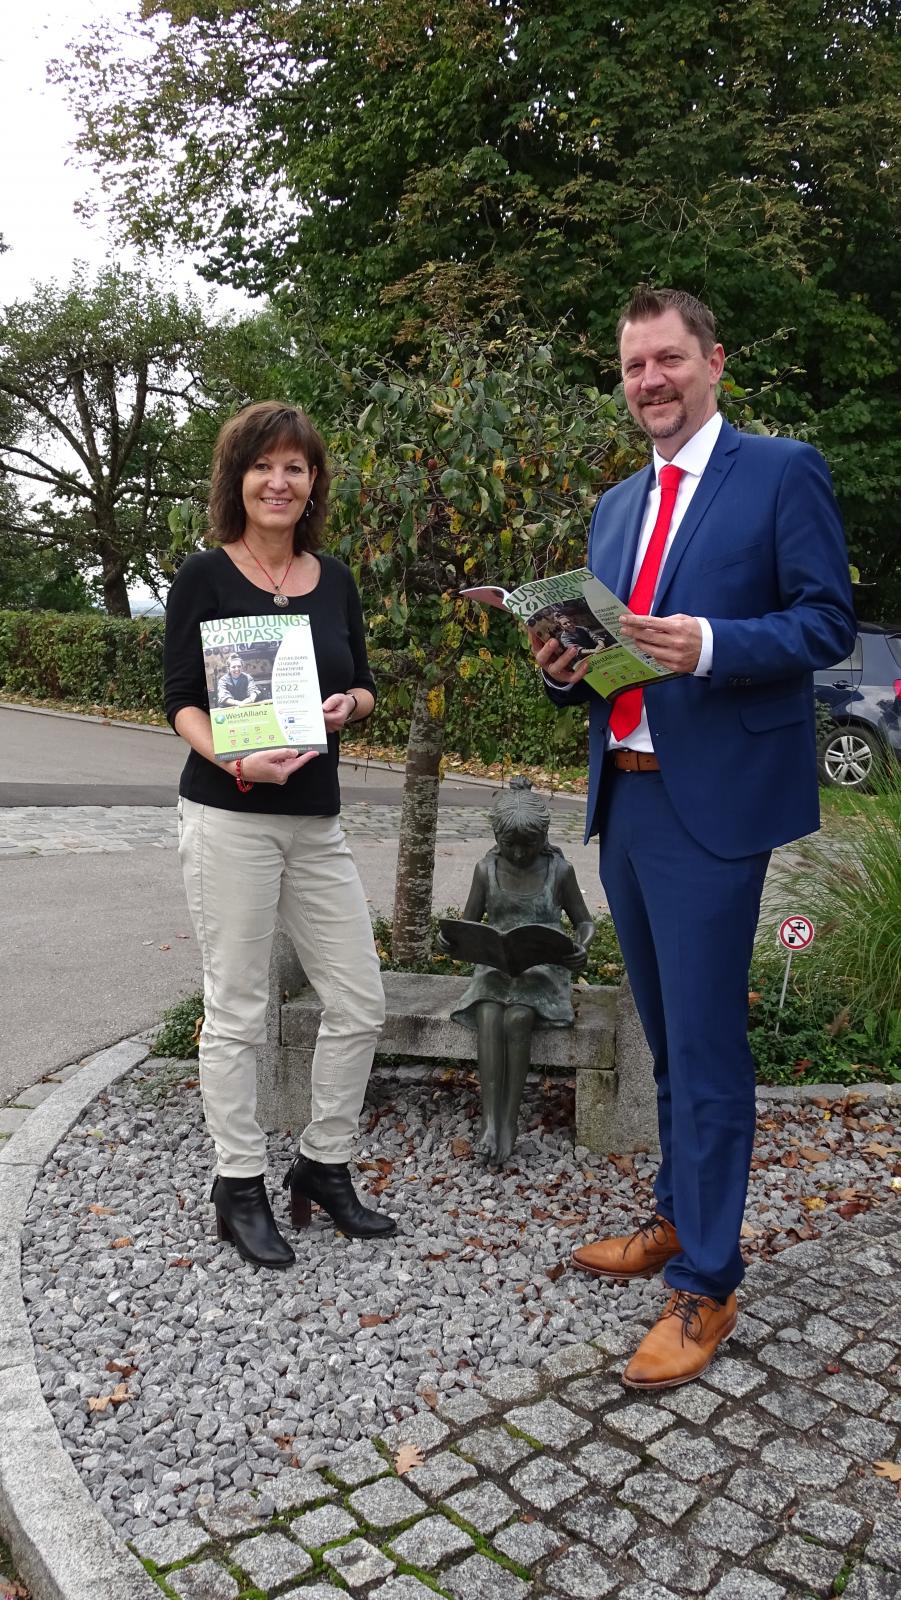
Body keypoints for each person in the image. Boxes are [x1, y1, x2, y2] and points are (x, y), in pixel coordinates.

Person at [535, 287, 855, 1389]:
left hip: (713, 803)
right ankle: (676, 1216)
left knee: (710, 1047)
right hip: (622, 797)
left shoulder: (780, 470)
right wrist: (564, 664)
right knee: (666, 1035)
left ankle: (706, 1282)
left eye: (667, 359)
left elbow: (827, 623)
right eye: (632, 367)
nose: (649, 382)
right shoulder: (616, 505)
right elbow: (606, 650)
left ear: (713, 360)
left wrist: (711, 641)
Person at [164, 400, 395, 1270]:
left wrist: (351, 706)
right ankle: (237, 1184)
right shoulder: (203, 578)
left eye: (295, 466)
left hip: (317, 820)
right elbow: (181, 697)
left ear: (312, 483)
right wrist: (233, 759)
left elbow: (364, 684)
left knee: (359, 1000)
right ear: (239, 479)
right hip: (229, 816)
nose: (279, 480)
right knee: (238, 1009)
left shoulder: (333, 579)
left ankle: (322, 1166)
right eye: (264, 465)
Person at [443, 778, 595, 1165]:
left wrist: (581, 947)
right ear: (497, 837)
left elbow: (584, 921)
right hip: (495, 968)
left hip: (543, 971)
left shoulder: (558, 871)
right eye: (510, 844)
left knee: (517, 1017)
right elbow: (469, 923)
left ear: (543, 837)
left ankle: (508, 1122)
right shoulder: (486, 869)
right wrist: (452, 942)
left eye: (528, 845)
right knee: (490, 1013)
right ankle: (489, 1123)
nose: (519, 853)